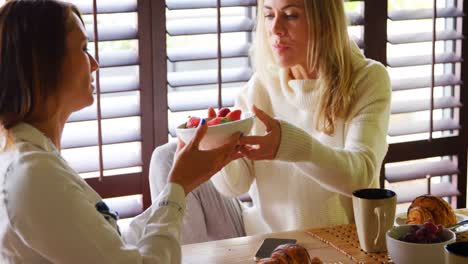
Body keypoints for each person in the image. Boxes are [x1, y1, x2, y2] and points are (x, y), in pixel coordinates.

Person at [0, 1, 240, 263]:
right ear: (43, 62)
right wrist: (177, 186)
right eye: (83, 49)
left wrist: (181, 186)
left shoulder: (33, 159)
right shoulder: (34, 174)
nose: (94, 64)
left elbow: (110, 244)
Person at [150, 0, 391, 241]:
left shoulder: (367, 79)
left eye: (290, 15)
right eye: (268, 15)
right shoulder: (262, 84)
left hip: (333, 240)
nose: (275, 29)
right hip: (265, 239)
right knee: (167, 158)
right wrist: (218, 148)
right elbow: (236, 186)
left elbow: (361, 175)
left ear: (325, 23)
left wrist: (290, 147)